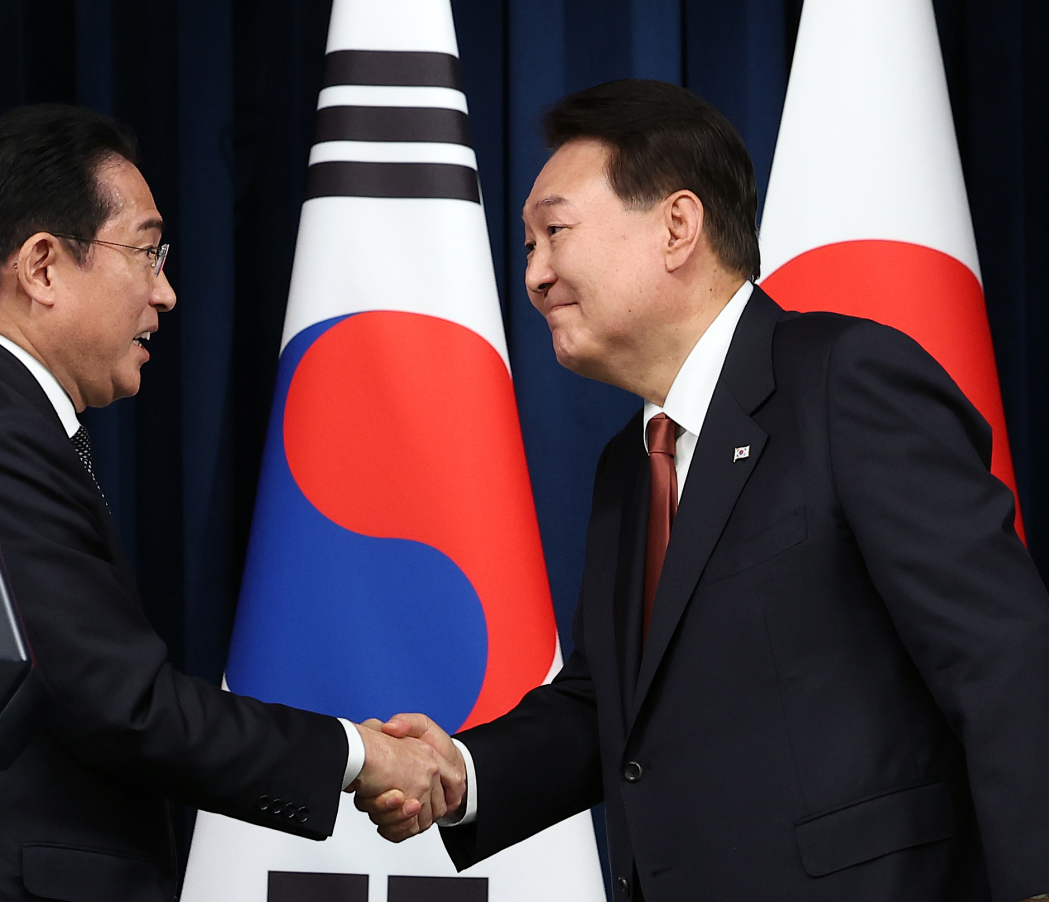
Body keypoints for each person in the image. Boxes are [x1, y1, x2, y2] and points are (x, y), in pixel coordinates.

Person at [357, 80, 1049, 902]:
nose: (536, 275)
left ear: (677, 227)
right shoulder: (629, 464)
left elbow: (1000, 653)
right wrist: (459, 771)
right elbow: (607, 706)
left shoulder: (845, 379)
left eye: (555, 232)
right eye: (528, 246)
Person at [0, 104, 459, 902]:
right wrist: (362, 756)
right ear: (44, 267)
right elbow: (127, 708)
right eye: (146, 252)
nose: (167, 292)